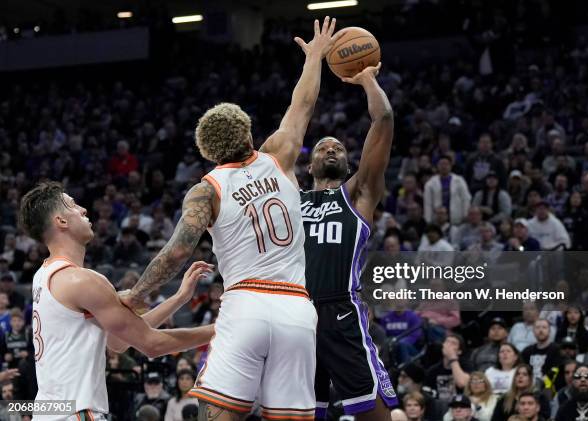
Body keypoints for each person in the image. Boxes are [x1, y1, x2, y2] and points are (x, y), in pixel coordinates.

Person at [122, 17, 340, 421]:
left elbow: (178, 251)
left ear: (208, 151)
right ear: (247, 131)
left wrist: (135, 297)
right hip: (296, 308)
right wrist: (314, 58)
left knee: (218, 413)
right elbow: (303, 105)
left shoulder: (207, 189)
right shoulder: (278, 154)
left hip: (246, 303)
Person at [18, 182, 215, 420]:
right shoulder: (82, 281)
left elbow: (118, 341)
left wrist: (178, 299)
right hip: (76, 412)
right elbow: (152, 344)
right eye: (73, 205)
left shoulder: (43, 275)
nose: (83, 210)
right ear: (61, 221)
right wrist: (222, 329)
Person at [299, 52, 397, 420]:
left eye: (338, 147)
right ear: (309, 165)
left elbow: (384, 119)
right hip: (295, 314)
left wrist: (368, 80)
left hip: (341, 311)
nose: (331, 149)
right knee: (302, 414)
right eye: (323, 146)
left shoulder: (358, 194)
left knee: (374, 411)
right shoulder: (290, 199)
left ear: (348, 163)